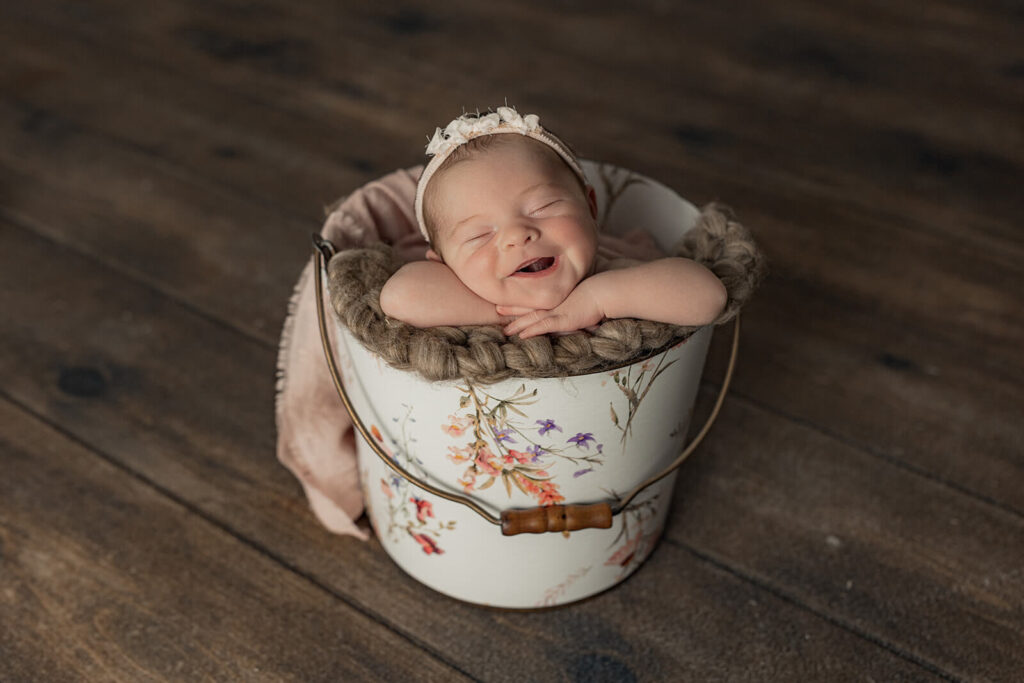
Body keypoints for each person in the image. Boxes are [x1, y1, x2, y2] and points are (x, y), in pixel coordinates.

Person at [380, 107, 727, 338]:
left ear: (591, 208)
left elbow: (708, 295)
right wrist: (512, 316)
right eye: (480, 235)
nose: (518, 234)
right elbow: (399, 296)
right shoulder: (463, 293)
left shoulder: (613, 275)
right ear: (444, 264)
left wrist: (595, 300)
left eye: (542, 207)